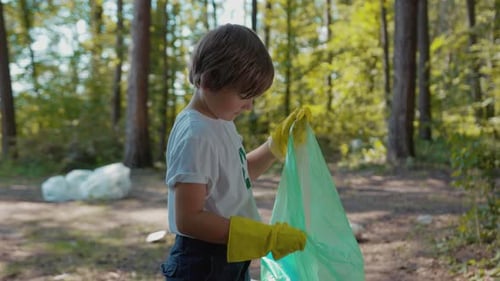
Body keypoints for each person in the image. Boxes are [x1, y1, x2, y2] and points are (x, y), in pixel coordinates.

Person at [161, 23, 310, 281]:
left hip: (229, 255)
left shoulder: (220, 121)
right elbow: (188, 219)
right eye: (244, 96)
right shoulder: (196, 134)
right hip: (203, 263)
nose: (250, 107)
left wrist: (274, 147)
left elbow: (235, 177)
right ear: (209, 81)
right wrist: (263, 237)